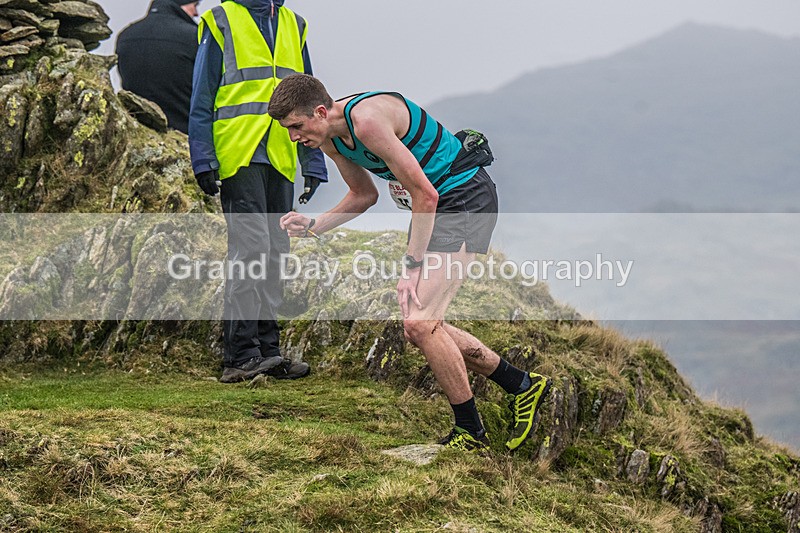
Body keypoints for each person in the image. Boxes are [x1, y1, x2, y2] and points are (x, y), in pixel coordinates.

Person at [270, 74, 552, 452]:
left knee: (421, 324)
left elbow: (425, 194)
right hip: (439, 206)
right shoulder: (330, 138)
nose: (294, 137)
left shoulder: (367, 122)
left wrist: (411, 267)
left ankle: (471, 433)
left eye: (296, 126)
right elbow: (362, 195)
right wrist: (314, 225)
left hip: (465, 198)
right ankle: (521, 385)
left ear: (320, 111)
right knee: (422, 323)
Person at [189, 1, 328, 383]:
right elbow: (201, 94)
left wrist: (313, 161)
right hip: (238, 155)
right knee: (250, 250)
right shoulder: (221, 20)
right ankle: (240, 355)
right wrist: (202, 157)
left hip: (281, 155)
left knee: (276, 251)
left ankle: (269, 351)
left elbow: (310, 98)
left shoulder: (293, 24)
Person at [116, 0, 201, 134]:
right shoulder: (195, 37)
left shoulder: (125, 36)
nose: (196, 13)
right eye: (195, 6)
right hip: (185, 132)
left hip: (137, 130)